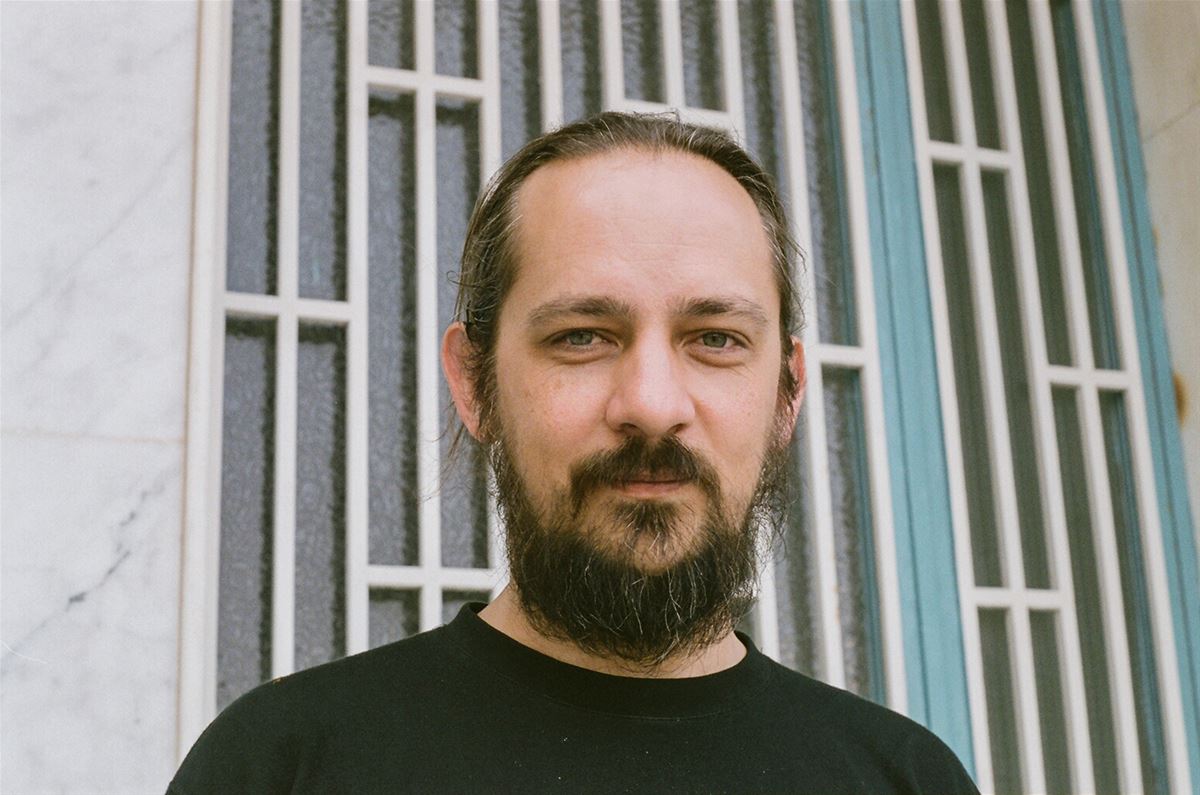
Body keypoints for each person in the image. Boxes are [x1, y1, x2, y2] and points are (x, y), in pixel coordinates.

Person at [170, 111, 978, 794]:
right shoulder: (280, 765)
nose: (652, 404)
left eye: (715, 338)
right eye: (582, 336)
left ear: (788, 392)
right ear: (474, 383)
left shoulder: (908, 779)